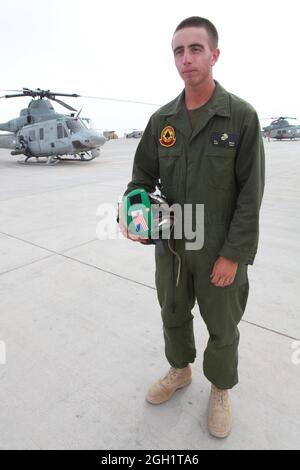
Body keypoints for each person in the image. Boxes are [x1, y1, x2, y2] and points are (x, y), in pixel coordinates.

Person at [118, 16, 265, 439]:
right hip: (173, 248)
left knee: (222, 325)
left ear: (214, 55)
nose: (186, 59)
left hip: (219, 249)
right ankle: (179, 371)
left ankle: (220, 388)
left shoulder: (240, 117)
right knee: (174, 314)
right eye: (179, 51)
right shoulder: (163, 120)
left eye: (195, 49)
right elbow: (140, 180)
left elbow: (251, 196)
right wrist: (136, 218)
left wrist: (234, 255)